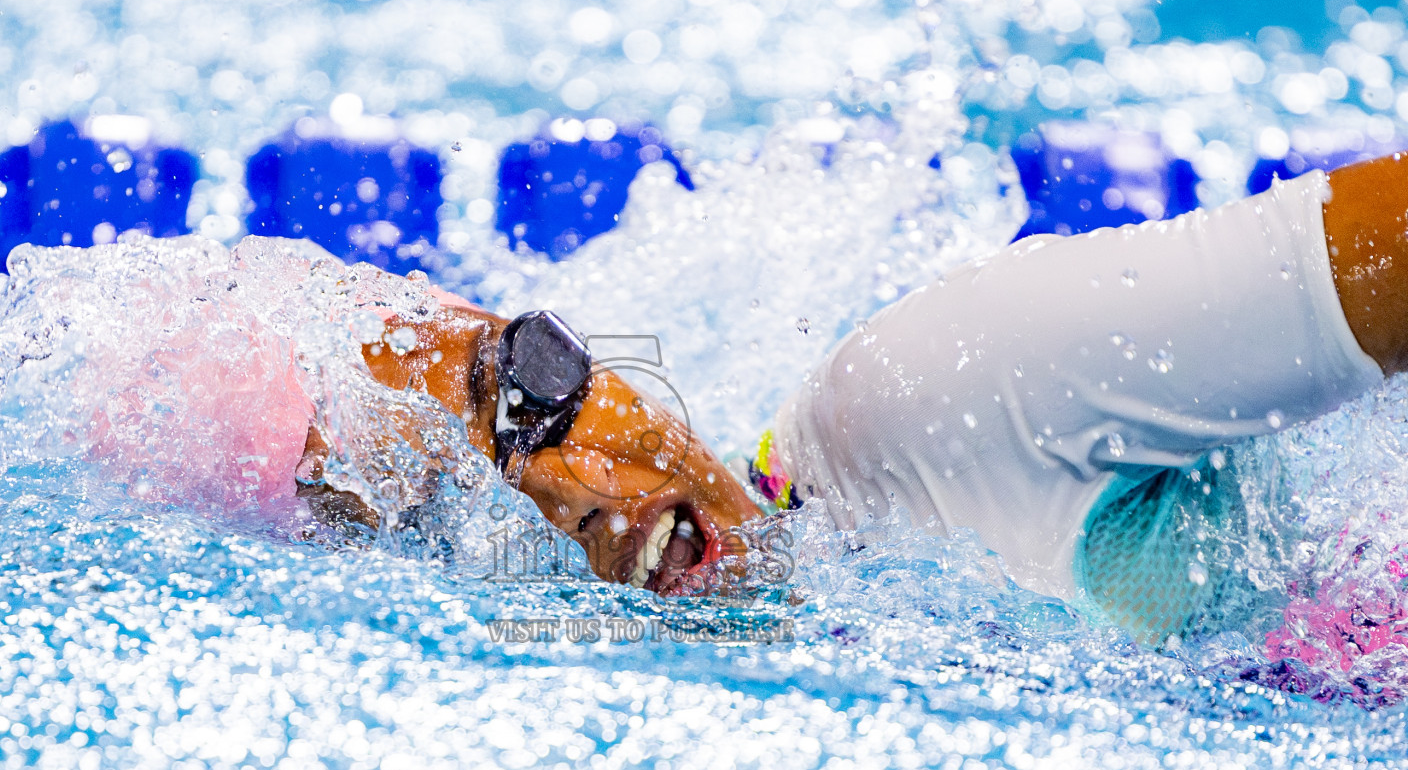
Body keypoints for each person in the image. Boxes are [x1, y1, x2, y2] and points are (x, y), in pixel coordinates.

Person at [305, 152, 1408, 641]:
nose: (572, 492)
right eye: (496, 494)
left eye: (535, 391)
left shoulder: (948, 390)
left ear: (606, 363)